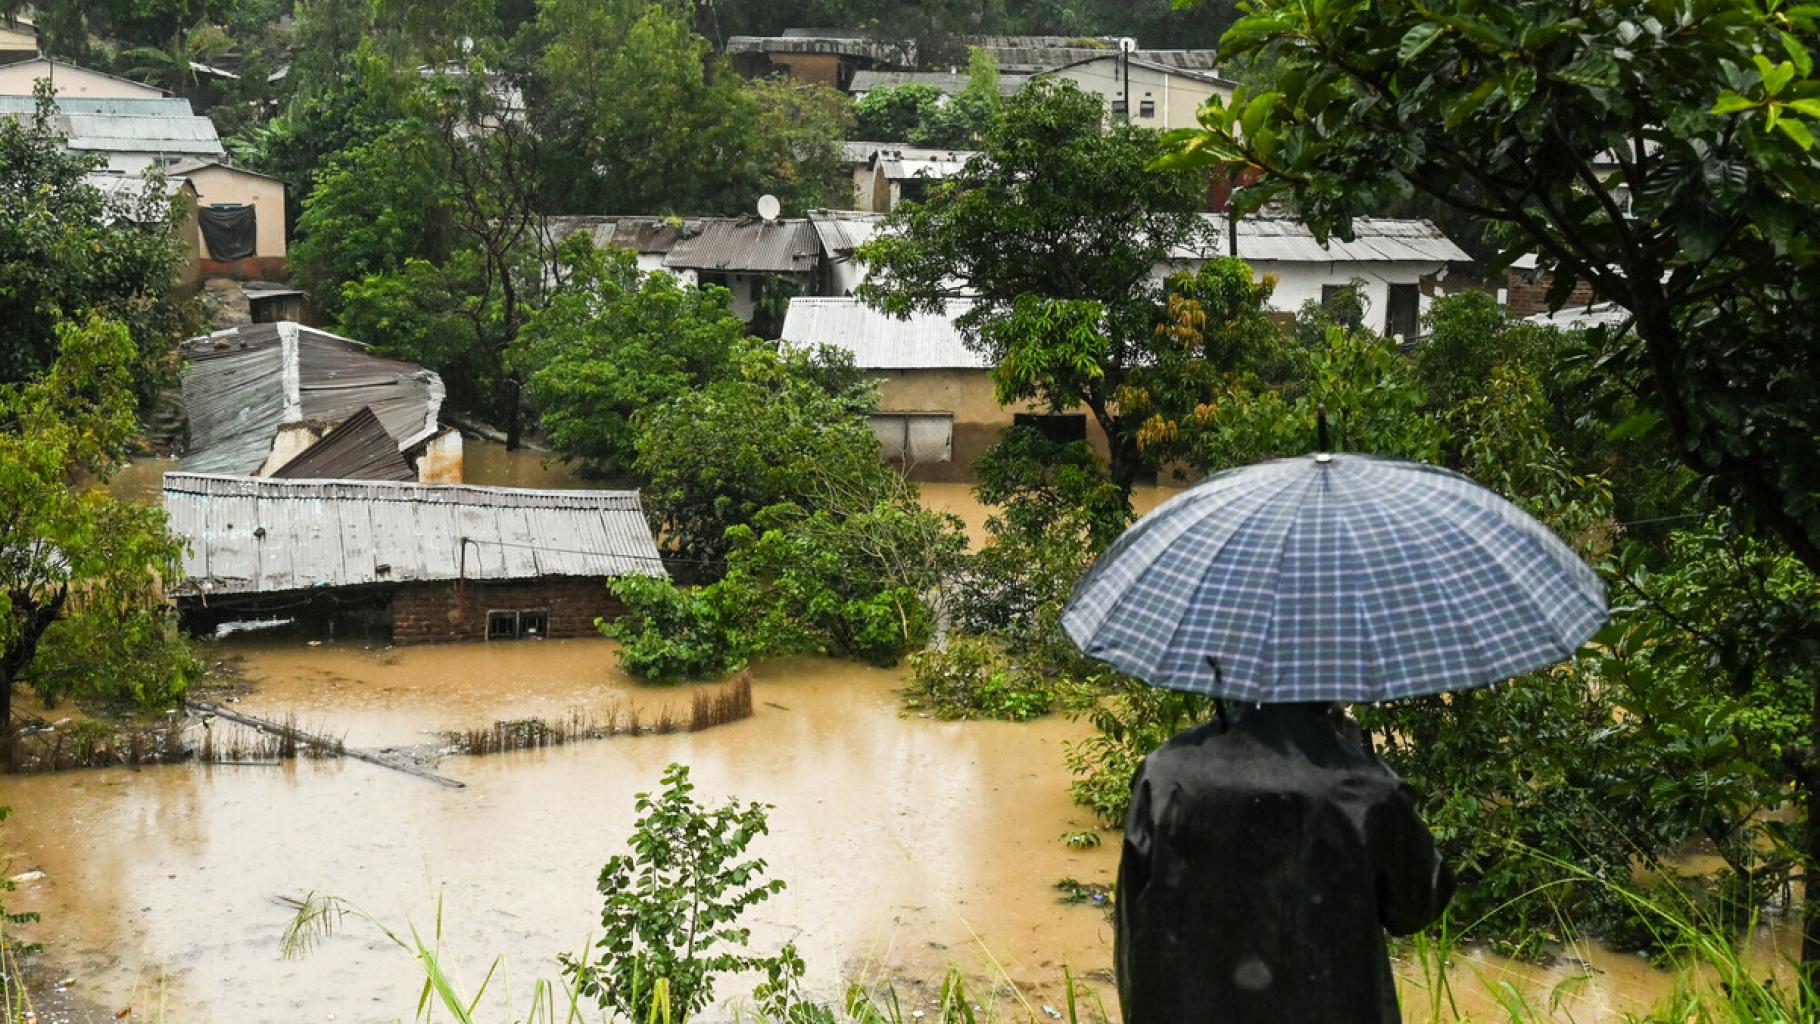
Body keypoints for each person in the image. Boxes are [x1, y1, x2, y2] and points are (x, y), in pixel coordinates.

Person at [1115, 700, 1453, 1023]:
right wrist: (1357, 757)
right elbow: (1417, 904)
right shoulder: (1365, 787)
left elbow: (1135, 927)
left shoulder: (1163, 774)